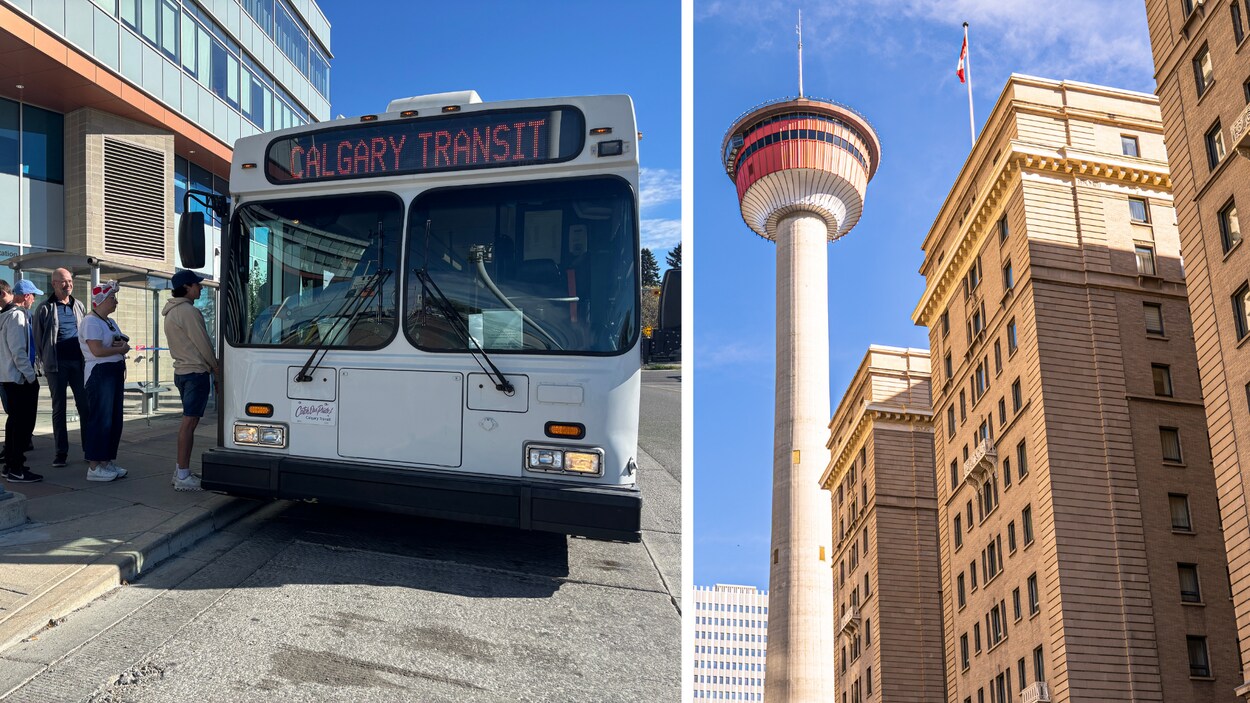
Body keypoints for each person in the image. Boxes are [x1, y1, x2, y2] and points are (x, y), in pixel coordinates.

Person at [163, 270, 215, 492]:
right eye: (197, 285)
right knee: (189, 423)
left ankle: (181, 471)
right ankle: (183, 474)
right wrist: (216, 366)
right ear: (187, 287)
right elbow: (203, 344)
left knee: (189, 422)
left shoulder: (171, 312)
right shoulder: (188, 312)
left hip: (182, 372)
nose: (201, 288)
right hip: (195, 372)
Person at [33, 268, 87, 468]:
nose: (68, 285)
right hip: (56, 366)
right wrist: (45, 362)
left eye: (70, 281)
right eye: (64, 282)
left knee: (85, 407)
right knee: (59, 409)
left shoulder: (78, 305)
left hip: (78, 364)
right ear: (54, 284)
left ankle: (89, 450)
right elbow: (38, 340)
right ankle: (61, 453)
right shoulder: (44, 308)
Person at [79, 281, 129, 482]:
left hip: (113, 371)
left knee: (114, 419)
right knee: (101, 419)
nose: (115, 301)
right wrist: (120, 349)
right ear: (101, 301)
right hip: (100, 373)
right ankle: (94, 465)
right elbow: (97, 351)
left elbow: (119, 340)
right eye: (112, 298)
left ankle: (106, 461)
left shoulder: (108, 321)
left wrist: (120, 344)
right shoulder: (91, 321)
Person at [0, 280, 45, 483]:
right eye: (33, 295)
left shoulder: (6, 316)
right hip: (19, 379)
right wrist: (30, 376)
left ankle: (11, 464)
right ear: (26, 296)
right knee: (23, 425)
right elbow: (18, 351)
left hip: (10, 377)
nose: (34, 299)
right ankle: (16, 468)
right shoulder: (16, 316)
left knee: (15, 423)